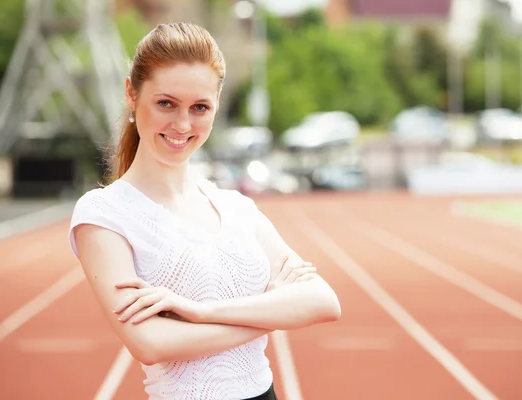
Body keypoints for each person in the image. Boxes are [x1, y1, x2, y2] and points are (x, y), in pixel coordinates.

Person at [67, 22, 341, 400]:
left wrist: (198, 313)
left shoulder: (236, 208)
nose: (182, 124)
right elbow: (150, 342)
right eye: (166, 103)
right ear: (132, 94)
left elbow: (324, 301)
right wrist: (272, 313)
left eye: (200, 107)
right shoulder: (104, 214)